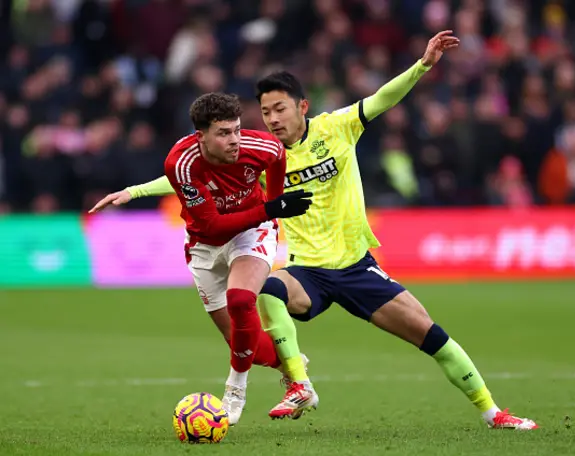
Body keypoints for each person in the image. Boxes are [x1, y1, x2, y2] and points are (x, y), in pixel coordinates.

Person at [94, 31, 537, 429]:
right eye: (265, 111)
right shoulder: (258, 153)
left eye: (279, 108)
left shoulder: (337, 128)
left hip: (357, 267)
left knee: (433, 337)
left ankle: (493, 411)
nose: (271, 119)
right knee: (266, 290)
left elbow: (382, 98)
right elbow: (185, 173)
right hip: (308, 271)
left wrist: (422, 65)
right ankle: (299, 384)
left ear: (302, 106)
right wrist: (134, 192)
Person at [90, 92, 319, 425]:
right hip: (205, 244)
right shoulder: (181, 162)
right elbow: (211, 226)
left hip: (251, 233)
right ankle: (294, 368)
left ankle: (235, 391)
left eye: (237, 130)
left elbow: (277, 164)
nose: (234, 140)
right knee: (246, 345)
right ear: (201, 137)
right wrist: (270, 208)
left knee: (241, 300)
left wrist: (273, 205)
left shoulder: (264, 147)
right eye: (224, 133)